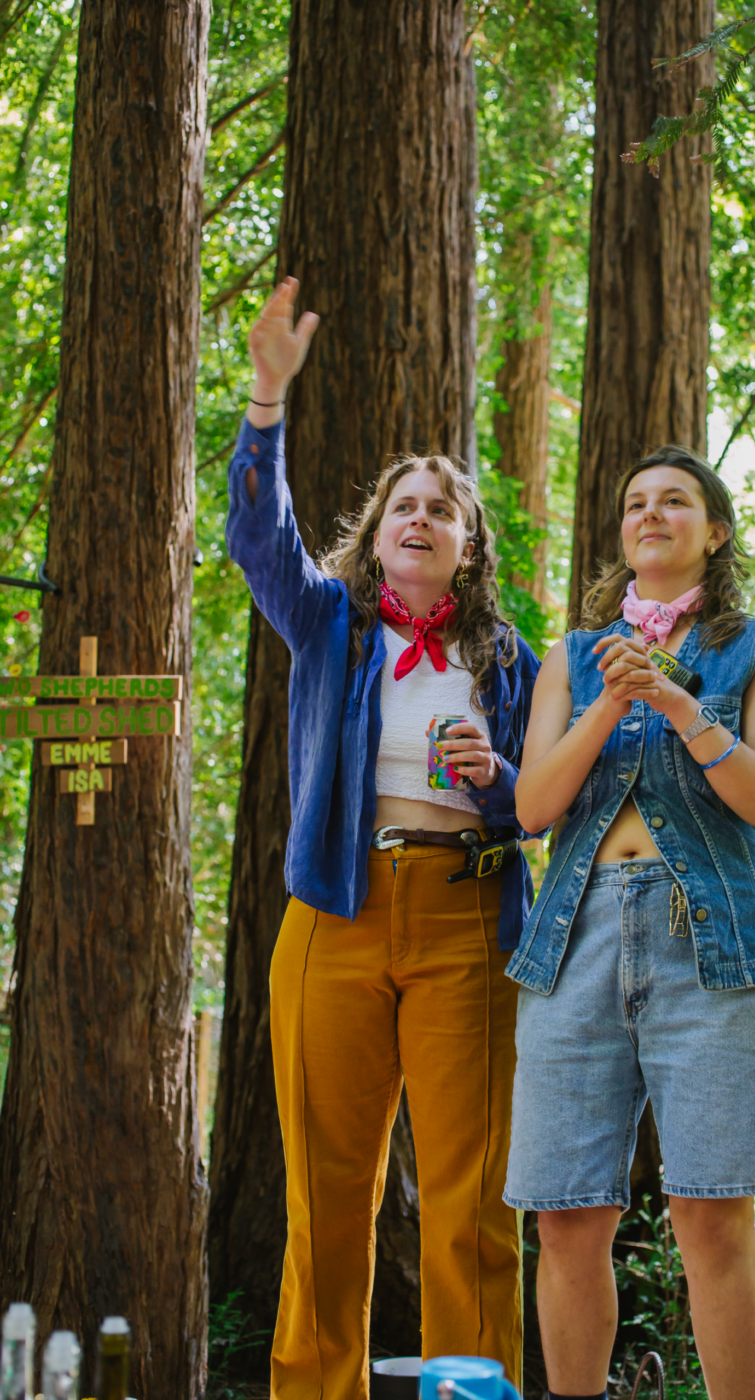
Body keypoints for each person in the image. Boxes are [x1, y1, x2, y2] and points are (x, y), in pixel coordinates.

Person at [225, 279, 540, 1399]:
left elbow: (548, 796)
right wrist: (268, 403)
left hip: (468, 921)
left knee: (470, 1202)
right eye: (403, 503)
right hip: (335, 916)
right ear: (376, 529)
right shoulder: (329, 620)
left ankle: (474, 1391)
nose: (419, 517)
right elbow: (257, 539)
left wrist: (498, 779)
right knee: (328, 1194)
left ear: (467, 543)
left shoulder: (513, 662)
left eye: (440, 508)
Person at [504, 446, 755, 1400]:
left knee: (710, 1216)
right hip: (577, 938)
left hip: (714, 938)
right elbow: (532, 808)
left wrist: (682, 705)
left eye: (675, 501)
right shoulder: (572, 654)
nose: (651, 514)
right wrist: (611, 699)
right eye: (636, 502)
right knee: (563, 1216)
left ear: (712, 531)